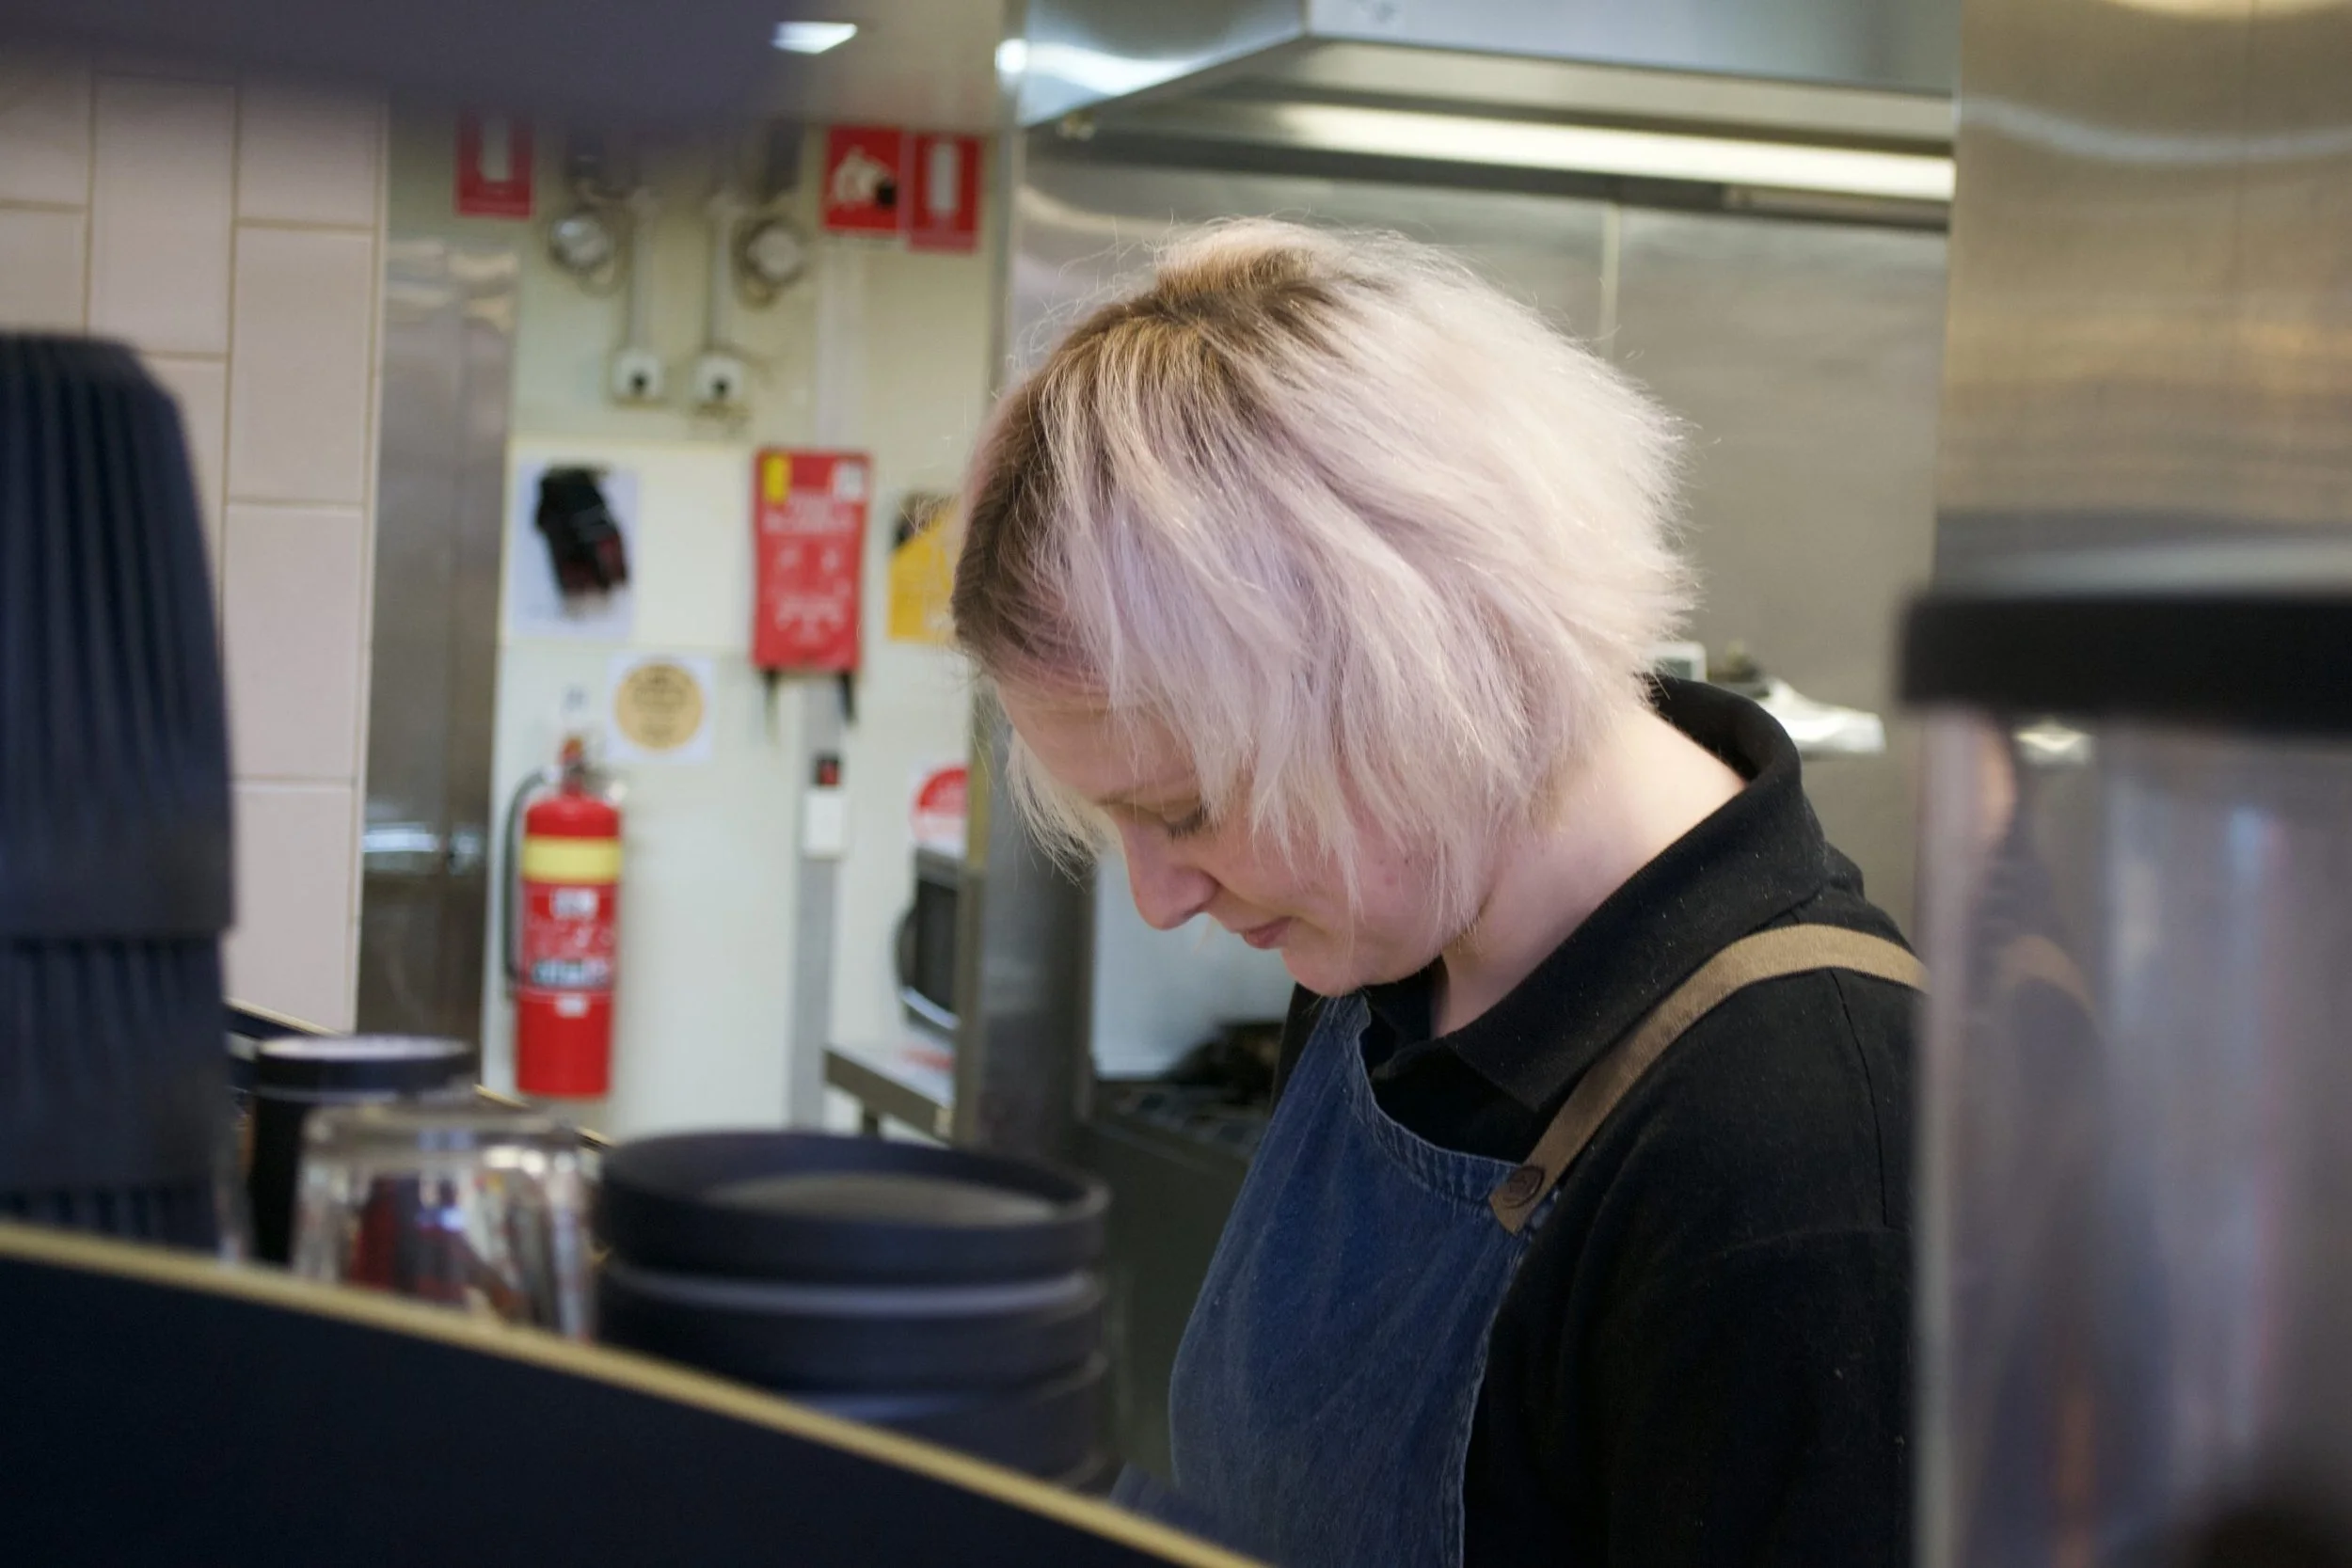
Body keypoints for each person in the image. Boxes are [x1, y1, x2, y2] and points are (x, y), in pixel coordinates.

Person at [949, 219, 1921, 1568]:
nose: (1162, 898)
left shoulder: (1809, 1157)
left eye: (1187, 810)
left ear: (1422, 684)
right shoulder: (1384, 976)